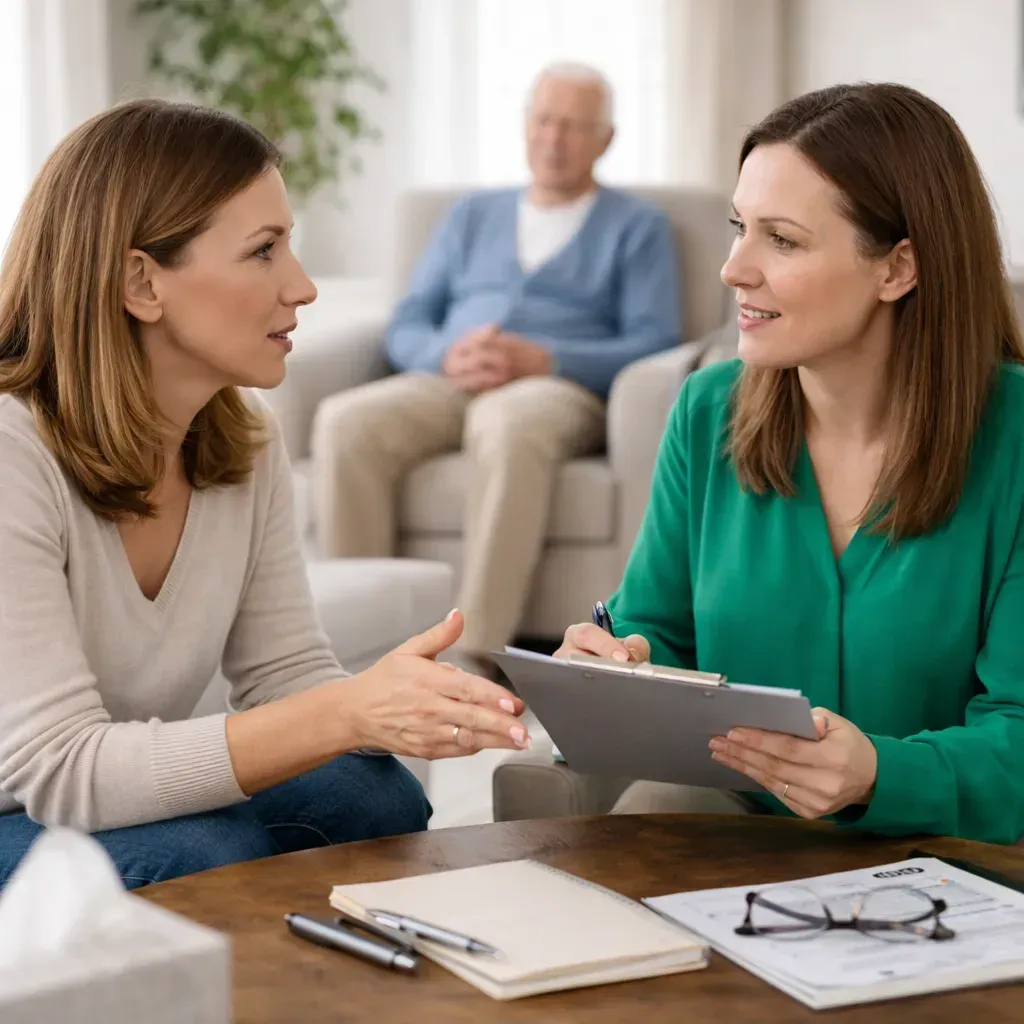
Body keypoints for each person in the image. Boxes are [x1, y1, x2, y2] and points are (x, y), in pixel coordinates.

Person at [0, 99, 530, 890]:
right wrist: (346, 714)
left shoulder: (242, 439)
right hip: (24, 802)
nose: (304, 287)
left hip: (83, 797)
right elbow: (63, 771)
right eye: (263, 252)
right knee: (200, 855)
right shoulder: (13, 454)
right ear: (140, 282)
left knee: (367, 795)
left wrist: (409, 701)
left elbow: (286, 673)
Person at [556, 82, 1024, 845]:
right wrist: (622, 660)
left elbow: (1019, 730)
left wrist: (879, 772)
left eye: (782, 239)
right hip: (750, 841)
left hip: (958, 856)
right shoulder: (708, 411)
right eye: (739, 228)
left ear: (897, 268)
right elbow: (658, 623)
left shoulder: (1016, 441)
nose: (734, 269)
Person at [312, 62, 681, 667]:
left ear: (606, 140)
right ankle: (361, 646)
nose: (553, 139)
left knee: (506, 425)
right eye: (543, 120)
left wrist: (546, 358)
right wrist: (445, 355)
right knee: (344, 423)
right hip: (450, 377)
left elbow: (654, 340)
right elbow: (408, 320)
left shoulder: (638, 227)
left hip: (554, 389)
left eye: (573, 126)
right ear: (525, 124)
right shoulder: (470, 215)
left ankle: (472, 654)